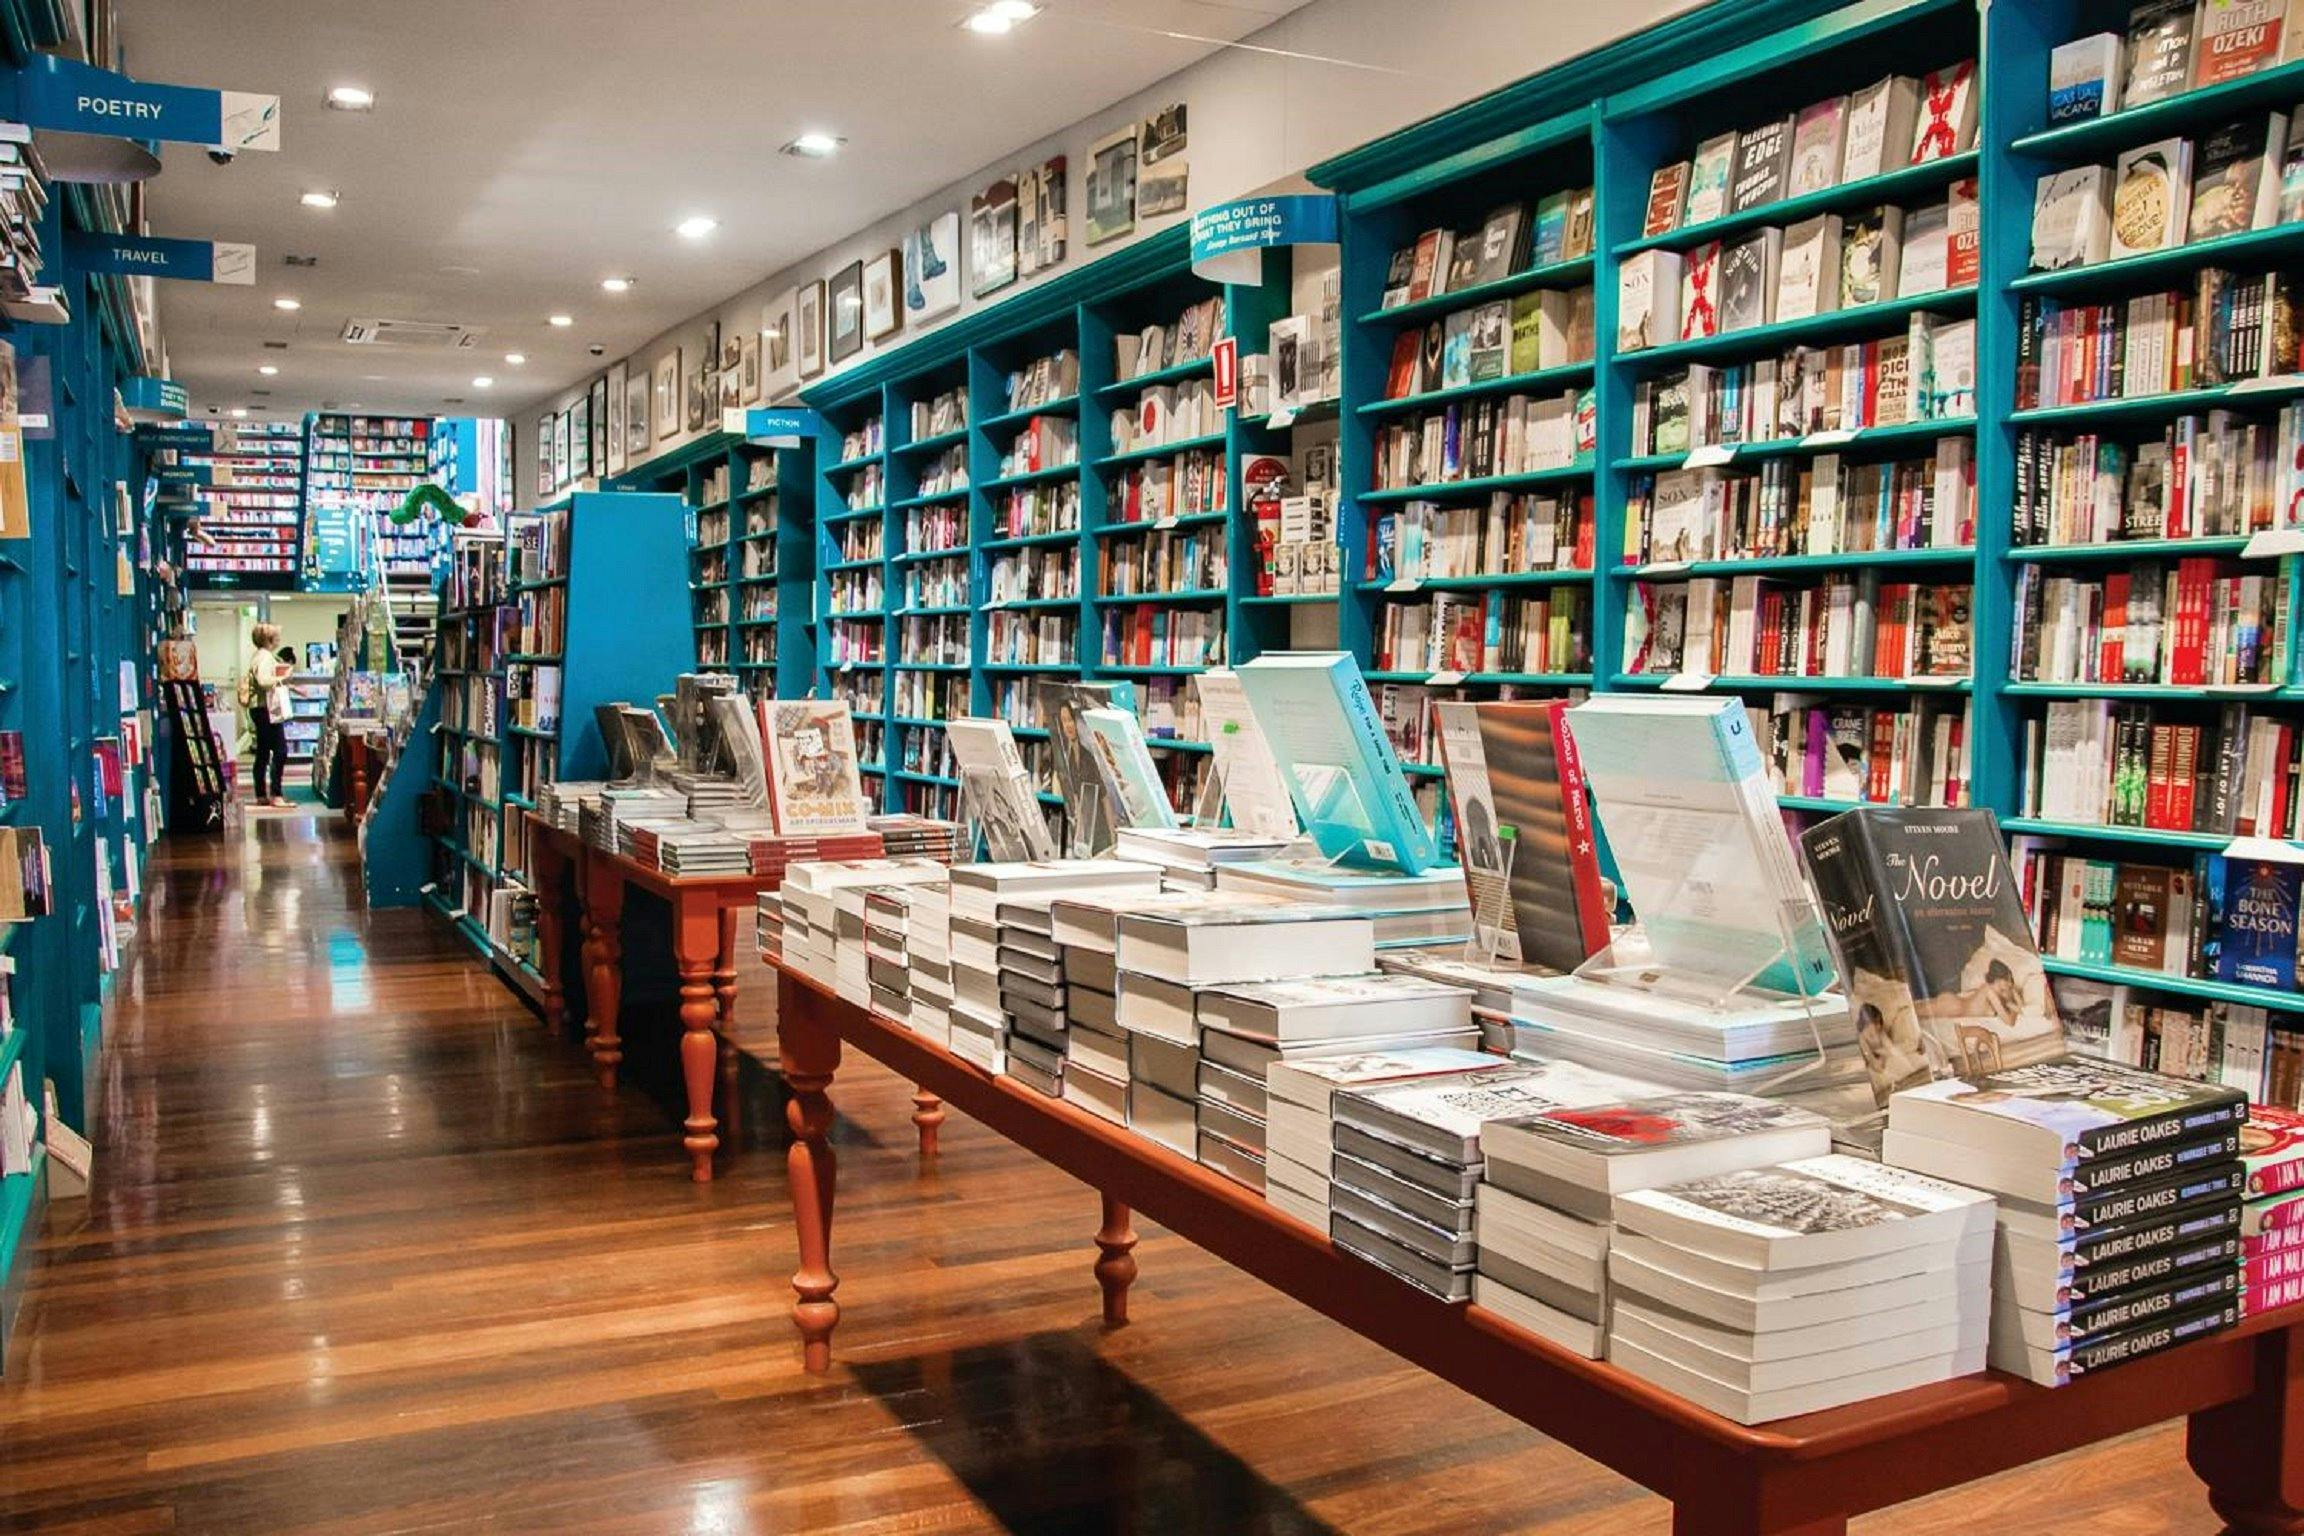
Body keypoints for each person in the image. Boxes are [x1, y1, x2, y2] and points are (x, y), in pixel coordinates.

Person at [239, 622, 293, 807]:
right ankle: (276, 794)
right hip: (266, 709)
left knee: (262, 752)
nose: (279, 639)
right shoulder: (266, 657)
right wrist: (282, 677)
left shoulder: (259, 656)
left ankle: (261, 793)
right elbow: (263, 681)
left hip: (259, 708)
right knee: (280, 750)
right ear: (270, 639)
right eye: (276, 636)